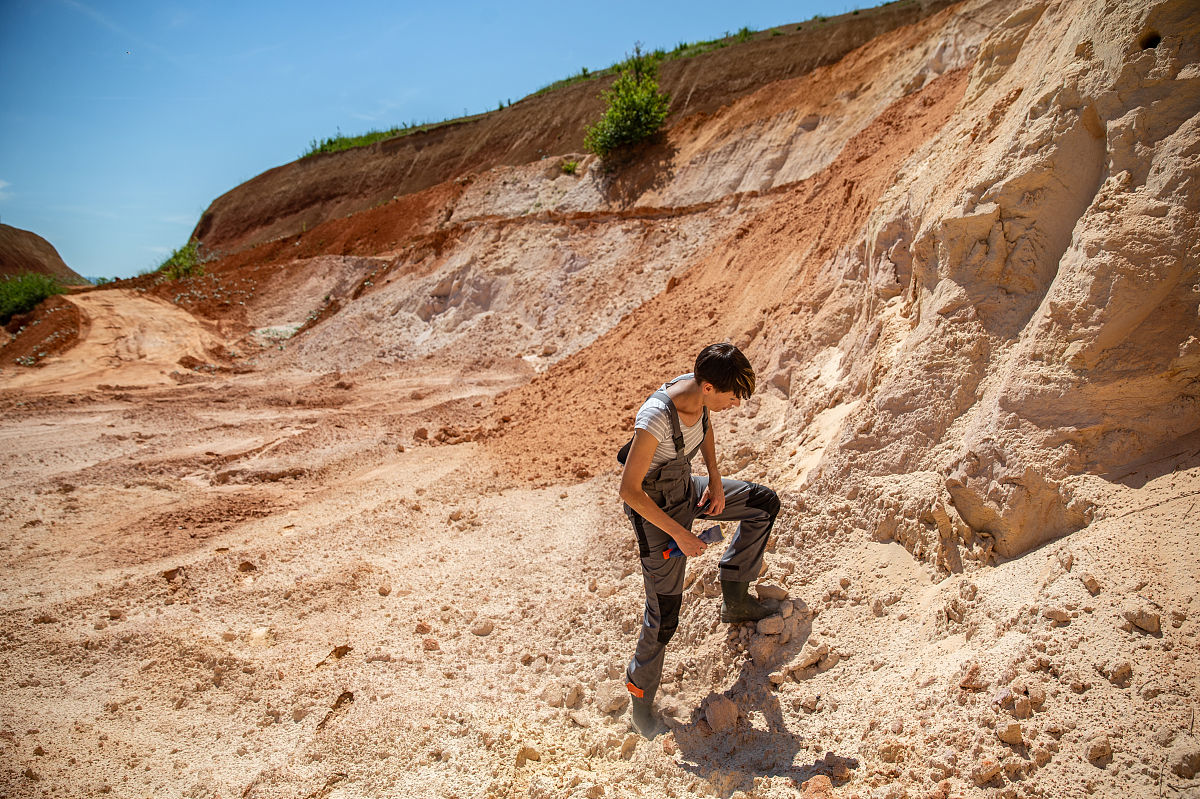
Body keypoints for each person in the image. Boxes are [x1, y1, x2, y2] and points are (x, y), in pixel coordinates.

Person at [618, 342, 781, 737]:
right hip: (655, 513)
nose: (736, 404)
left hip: (687, 489)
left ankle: (736, 599)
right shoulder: (656, 417)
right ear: (707, 387)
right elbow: (629, 490)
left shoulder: (699, 398)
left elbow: (703, 430)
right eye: (733, 396)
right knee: (664, 617)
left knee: (763, 503)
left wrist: (717, 480)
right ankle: (640, 705)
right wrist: (681, 534)